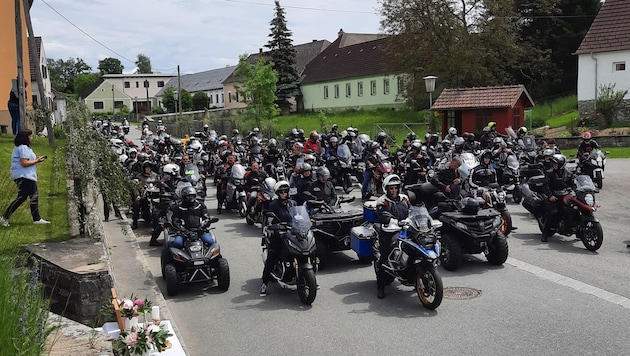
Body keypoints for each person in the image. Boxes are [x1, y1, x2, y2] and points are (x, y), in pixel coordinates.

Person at [1, 129, 50, 227]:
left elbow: (28, 159)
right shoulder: (22, 148)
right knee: (22, 197)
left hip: (29, 176)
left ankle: (37, 218)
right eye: (30, 136)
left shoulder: (26, 148)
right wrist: (37, 161)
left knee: (34, 196)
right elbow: (24, 163)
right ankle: (4, 218)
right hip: (24, 176)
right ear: (26, 138)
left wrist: (36, 159)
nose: (31, 138)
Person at [374, 174, 410, 299]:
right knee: (385, 256)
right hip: (388, 230)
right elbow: (383, 216)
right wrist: (396, 222)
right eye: (391, 188)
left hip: (405, 228)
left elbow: (413, 210)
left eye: (395, 188)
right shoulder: (382, 201)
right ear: (386, 189)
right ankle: (380, 287)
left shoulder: (404, 198)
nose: (394, 190)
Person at [260, 180, 297, 297]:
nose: (283, 193)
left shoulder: (293, 203)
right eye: (281, 191)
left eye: (285, 191)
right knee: (273, 256)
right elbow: (269, 220)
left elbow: (298, 215)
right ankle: (264, 283)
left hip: (293, 232)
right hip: (279, 234)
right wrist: (273, 226)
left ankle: (311, 278)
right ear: (277, 193)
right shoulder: (274, 204)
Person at [541, 154, 573, 242]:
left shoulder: (568, 173)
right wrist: (550, 195)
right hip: (554, 196)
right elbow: (545, 186)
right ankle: (545, 233)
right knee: (554, 212)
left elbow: (574, 184)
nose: (554, 165)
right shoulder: (549, 173)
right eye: (553, 163)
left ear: (561, 164)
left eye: (556, 163)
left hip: (566, 196)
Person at [131, 161, 158, 229]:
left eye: (149, 168)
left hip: (155, 195)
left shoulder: (155, 175)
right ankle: (134, 222)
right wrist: (137, 195)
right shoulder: (139, 176)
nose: (148, 169)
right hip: (144, 195)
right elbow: (136, 187)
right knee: (137, 204)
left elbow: (159, 184)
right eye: (146, 168)